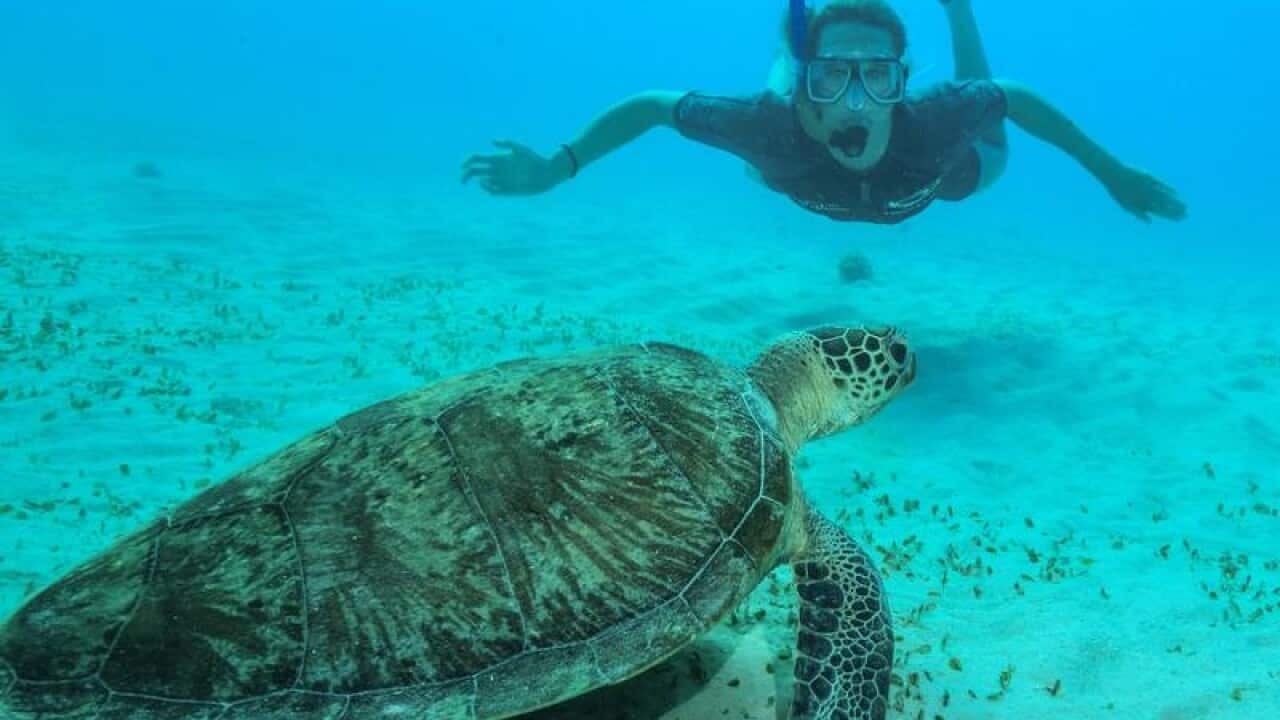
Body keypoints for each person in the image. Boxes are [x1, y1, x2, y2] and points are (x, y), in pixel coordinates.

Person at [461, 0, 1186, 224]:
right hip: (790, 157)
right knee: (765, 151)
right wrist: (558, 168)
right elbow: (653, 106)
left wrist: (1112, 174)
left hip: (948, 178)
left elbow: (1020, 96)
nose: (857, 98)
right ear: (808, 80)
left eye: (878, 76)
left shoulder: (929, 120)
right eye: (835, 75)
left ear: (901, 81)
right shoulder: (763, 124)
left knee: (989, 116)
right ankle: (790, 52)